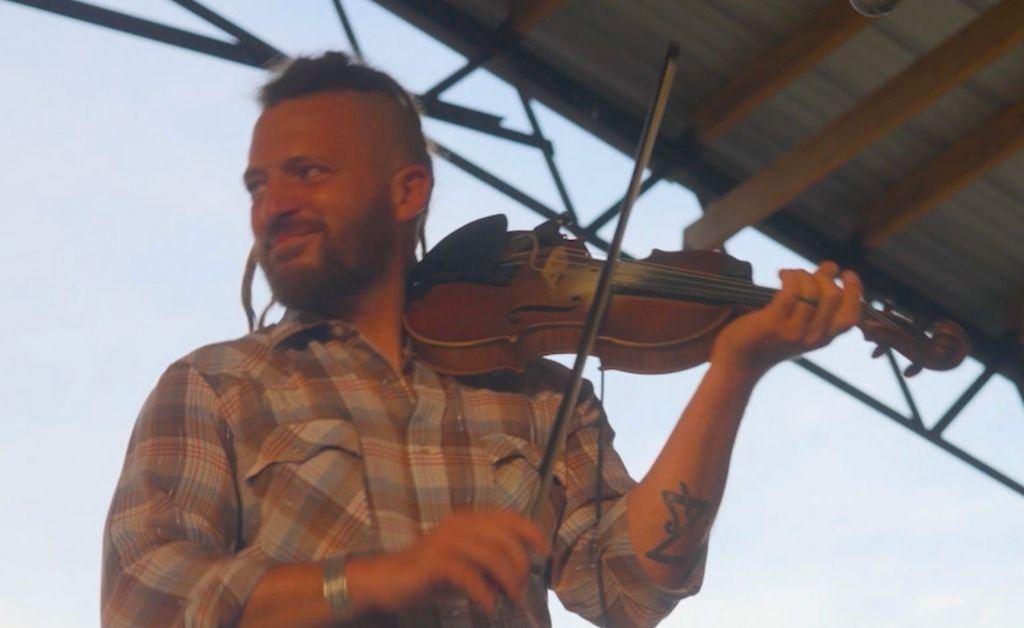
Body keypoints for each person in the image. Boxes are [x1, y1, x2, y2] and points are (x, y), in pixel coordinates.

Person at [101, 52, 862, 628]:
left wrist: (734, 368)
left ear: (408, 190)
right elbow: (146, 596)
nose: (275, 207)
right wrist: (381, 578)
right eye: (259, 186)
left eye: (308, 173)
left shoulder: (539, 398)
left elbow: (628, 586)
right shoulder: (218, 385)